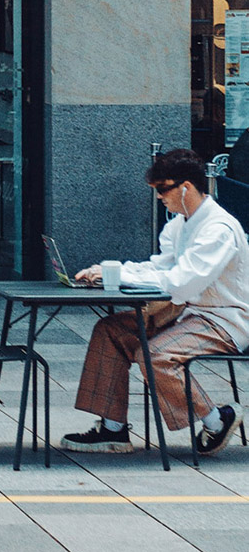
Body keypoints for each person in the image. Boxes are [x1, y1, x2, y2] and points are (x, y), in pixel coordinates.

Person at [62, 147, 248, 455]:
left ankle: (217, 419)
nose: (159, 196)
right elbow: (160, 267)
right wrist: (110, 270)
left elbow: (182, 282)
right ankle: (112, 430)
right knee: (110, 330)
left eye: (163, 189)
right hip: (187, 314)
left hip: (224, 320)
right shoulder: (181, 224)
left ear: (186, 187)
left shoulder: (218, 229)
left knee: (156, 355)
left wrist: (121, 276)